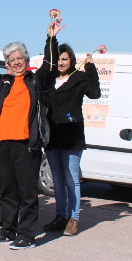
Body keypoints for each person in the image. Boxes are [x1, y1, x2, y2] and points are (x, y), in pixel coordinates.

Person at [0, 20, 63, 250]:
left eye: (20, 59)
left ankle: (27, 235)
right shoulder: (3, 82)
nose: (16, 63)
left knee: (27, 193)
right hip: (1, 145)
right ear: (7, 64)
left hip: (27, 145)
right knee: (7, 190)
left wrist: (51, 40)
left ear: (26, 60)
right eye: (12, 60)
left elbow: (50, 66)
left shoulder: (36, 81)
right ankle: (8, 230)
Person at [43, 44, 101, 236]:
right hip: (52, 136)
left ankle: (74, 218)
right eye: (58, 59)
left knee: (71, 179)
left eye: (65, 59)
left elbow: (95, 93)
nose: (60, 62)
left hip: (71, 135)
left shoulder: (79, 78)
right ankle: (61, 216)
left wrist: (91, 68)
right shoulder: (50, 79)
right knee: (58, 180)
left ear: (72, 60)